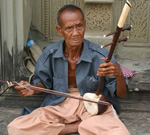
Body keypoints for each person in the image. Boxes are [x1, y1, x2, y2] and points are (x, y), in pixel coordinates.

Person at [7, 4, 130, 135]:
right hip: (59, 105)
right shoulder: (50, 53)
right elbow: (43, 83)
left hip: (90, 107)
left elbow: (121, 94)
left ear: (85, 25)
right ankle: (78, 127)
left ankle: (59, 129)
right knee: (16, 127)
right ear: (60, 30)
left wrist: (119, 74)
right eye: (69, 28)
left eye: (79, 26)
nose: (76, 33)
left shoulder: (100, 55)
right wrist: (32, 88)